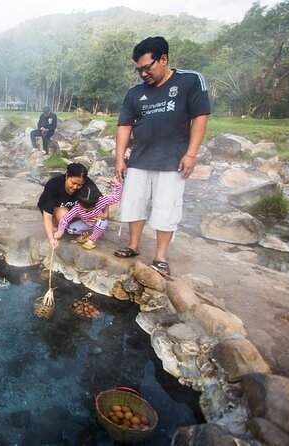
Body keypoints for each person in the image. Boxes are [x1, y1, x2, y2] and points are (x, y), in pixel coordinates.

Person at [114, 36, 210, 277]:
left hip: (173, 159)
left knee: (166, 207)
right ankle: (133, 246)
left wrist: (191, 154)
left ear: (164, 58)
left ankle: (160, 256)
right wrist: (119, 159)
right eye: (139, 70)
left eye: (147, 67)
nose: (143, 74)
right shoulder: (135, 92)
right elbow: (124, 125)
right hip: (140, 158)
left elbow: (200, 116)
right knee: (134, 203)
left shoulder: (190, 80)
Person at [37, 163, 102, 250]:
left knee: (94, 211)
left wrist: (105, 215)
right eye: (73, 183)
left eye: (80, 185)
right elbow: (47, 216)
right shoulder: (53, 185)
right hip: (56, 211)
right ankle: (63, 227)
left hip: (74, 211)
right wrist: (51, 238)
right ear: (67, 176)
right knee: (63, 214)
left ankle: (71, 227)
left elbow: (101, 199)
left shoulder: (87, 183)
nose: (75, 187)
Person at [53, 178, 122, 250]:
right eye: (83, 206)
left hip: (97, 222)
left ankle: (92, 240)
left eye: (89, 207)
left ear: (96, 201)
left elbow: (116, 198)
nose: (85, 209)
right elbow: (65, 219)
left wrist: (117, 185)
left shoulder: (101, 201)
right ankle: (86, 235)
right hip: (86, 223)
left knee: (103, 222)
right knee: (70, 229)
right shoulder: (77, 208)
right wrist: (60, 231)